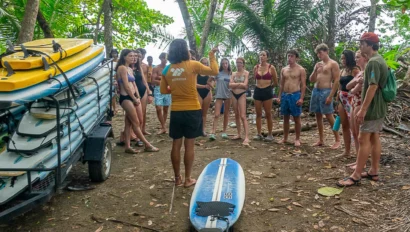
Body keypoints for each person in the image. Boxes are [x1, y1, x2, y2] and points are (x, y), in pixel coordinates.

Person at [161, 39, 219, 187]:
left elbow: (163, 90)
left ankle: (177, 178)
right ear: (184, 50)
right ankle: (188, 179)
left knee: (176, 144)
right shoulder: (193, 65)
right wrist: (211, 55)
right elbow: (214, 71)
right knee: (189, 145)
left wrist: (174, 87)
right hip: (192, 109)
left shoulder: (167, 70)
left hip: (176, 110)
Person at [337, 32, 388, 187]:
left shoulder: (373, 62)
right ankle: (374, 170)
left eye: (362, 43)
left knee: (363, 139)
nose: (360, 46)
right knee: (374, 138)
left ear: (369, 45)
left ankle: (356, 175)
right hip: (379, 106)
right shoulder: (380, 60)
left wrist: (363, 109)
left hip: (372, 107)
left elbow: (372, 86)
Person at [115, 49, 159, 153]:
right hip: (126, 98)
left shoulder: (130, 69)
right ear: (124, 57)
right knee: (136, 122)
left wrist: (138, 96)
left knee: (129, 122)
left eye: (134, 56)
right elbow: (126, 86)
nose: (133, 57)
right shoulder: (122, 68)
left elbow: (134, 84)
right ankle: (147, 144)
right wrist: (134, 98)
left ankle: (128, 146)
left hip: (134, 96)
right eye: (130, 56)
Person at [309, 43, 341, 149]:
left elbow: (336, 80)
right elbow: (311, 80)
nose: (319, 55)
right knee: (318, 115)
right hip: (316, 90)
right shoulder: (318, 64)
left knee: (329, 115)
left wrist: (331, 95)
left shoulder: (333, 64)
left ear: (326, 51)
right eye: (318, 53)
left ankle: (337, 140)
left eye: (321, 52)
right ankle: (321, 140)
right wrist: (315, 70)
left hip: (326, 90)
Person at [276, 50, 306, 147]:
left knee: (297, 118)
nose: (290, 58)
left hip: (295, 95)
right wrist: (279, 96)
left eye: (292, 56)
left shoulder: (301, 69)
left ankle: (297, 139)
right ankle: (285, 138)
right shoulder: (284, 69)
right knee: (285, 117)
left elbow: (303, 85)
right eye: (288, 56)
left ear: (296, 58)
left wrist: (301, 98)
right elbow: (281, 84)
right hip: (285, 95)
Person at [345, 50, 369, 169]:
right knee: (354, 132)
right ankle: (358, 160)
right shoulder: (359, 73)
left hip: (360, 102)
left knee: (360, 134)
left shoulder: (366, 73)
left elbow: (353, 90)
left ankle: (362, 162)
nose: (356, 59)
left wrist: (354, 86)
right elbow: (348, 86)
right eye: (355, 57)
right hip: (353, 102)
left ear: (365, 58)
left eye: (358, 57)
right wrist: (355, 82)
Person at [337, 50, 360, 157]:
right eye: (341, 58)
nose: (343, 61)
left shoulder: (355, 70)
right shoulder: (342, 71)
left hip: (351, 99)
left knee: (354, 127)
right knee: (344, 125)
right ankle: (347, 151)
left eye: (345, 58)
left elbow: (358, 86)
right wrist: (337, 99)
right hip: (342, 99)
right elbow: (339, 85)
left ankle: (358, 153)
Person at [253, 51, 278, 141]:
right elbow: (254, 79)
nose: (261, 56)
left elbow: (275, 82)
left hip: (267, 90)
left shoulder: (271, 68)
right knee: (258, 113)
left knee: (268, 113)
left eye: (263, 55)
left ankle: (270, 134)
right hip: (257, 90)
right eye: (260, 55)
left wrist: (269, 88)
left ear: (267, 57)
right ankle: (259, 134)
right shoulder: (256, 67)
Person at [229, 57, 250, 146]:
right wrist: (239, 84)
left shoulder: (246, 73)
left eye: (240, 62)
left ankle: (247, 136)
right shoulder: (233, 73)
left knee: (243, 115)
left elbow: (245, 85)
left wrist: (235, 84)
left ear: (243, 64)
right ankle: (238, 133)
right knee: (236, 114)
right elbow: (229, 85)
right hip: (233, 95)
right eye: (237, 62)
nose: (238, 64)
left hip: (242, 95)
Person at [209, 58, 232, 141]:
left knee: (226, 114)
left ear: (228, 64)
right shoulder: (218, 73)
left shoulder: (231, 74)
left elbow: (234, 84)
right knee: (217, 114)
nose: (225, 65)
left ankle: (224, 132)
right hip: (219, 96)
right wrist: (214, 88)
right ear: (221, 65)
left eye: (226, 63)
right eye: (223, 64)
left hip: (228, 96)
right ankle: (213, 132)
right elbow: (209, 81)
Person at [152, 52, 171, 135]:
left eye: (166, 58)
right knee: (158, 108)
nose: (165, 60)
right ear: (160, 58)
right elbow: (153, 80)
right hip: (158, 89)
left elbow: (171, 80)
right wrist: (163, 80)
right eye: (163, 58)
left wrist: (160, 78)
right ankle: (163, 126)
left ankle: (163, 126)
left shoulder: (169, 68)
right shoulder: (156, 68)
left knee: (166, 108)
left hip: (168, 89)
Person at [136, 48, 153, 135]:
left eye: (142, 55)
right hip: (135, 90)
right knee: (135, 112)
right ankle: (136, 131)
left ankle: (143, 129)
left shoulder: (145, 66)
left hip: (144, 89)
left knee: (144, 111)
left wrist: (149, 91)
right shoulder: (132, 66)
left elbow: (146, 80)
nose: (141, 57)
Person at [196, 57, 214, 136]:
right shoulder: (196, 73)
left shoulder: (210, 73)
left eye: (206, 63)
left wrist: (210, 85)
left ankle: (203, 130)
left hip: (207, 93)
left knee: (204, 113)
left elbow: (212, 84)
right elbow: (194, 84)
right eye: (203, 63)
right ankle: (196, 130)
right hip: (198, 92)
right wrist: (204, 86)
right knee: (197, 112)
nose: (204, 64)